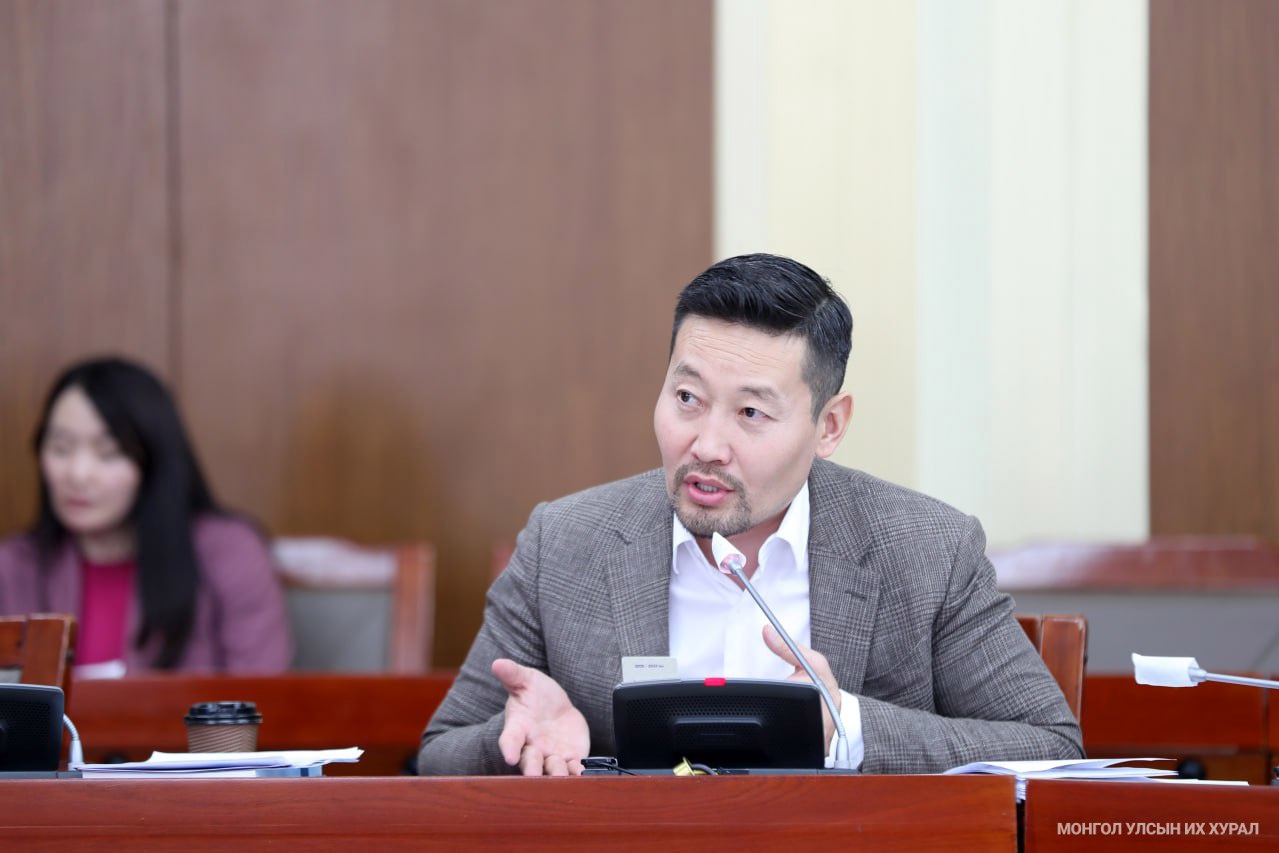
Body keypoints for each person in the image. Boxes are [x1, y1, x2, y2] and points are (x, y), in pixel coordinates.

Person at [418, 253, 1083, 776]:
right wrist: (518, 739)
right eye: (687, 397)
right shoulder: (565, 543)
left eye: (751, 412)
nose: (706, 445)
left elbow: (1049, 746)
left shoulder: (926, 548)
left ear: (828, 425)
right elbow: (439, 753)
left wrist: (845, 727)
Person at [0, 356, 292, 673]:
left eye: (109, 453)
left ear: (153, 461)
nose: (78, 474)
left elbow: (260, 691)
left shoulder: (229, 552)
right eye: (61, 448)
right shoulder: (13, 565)